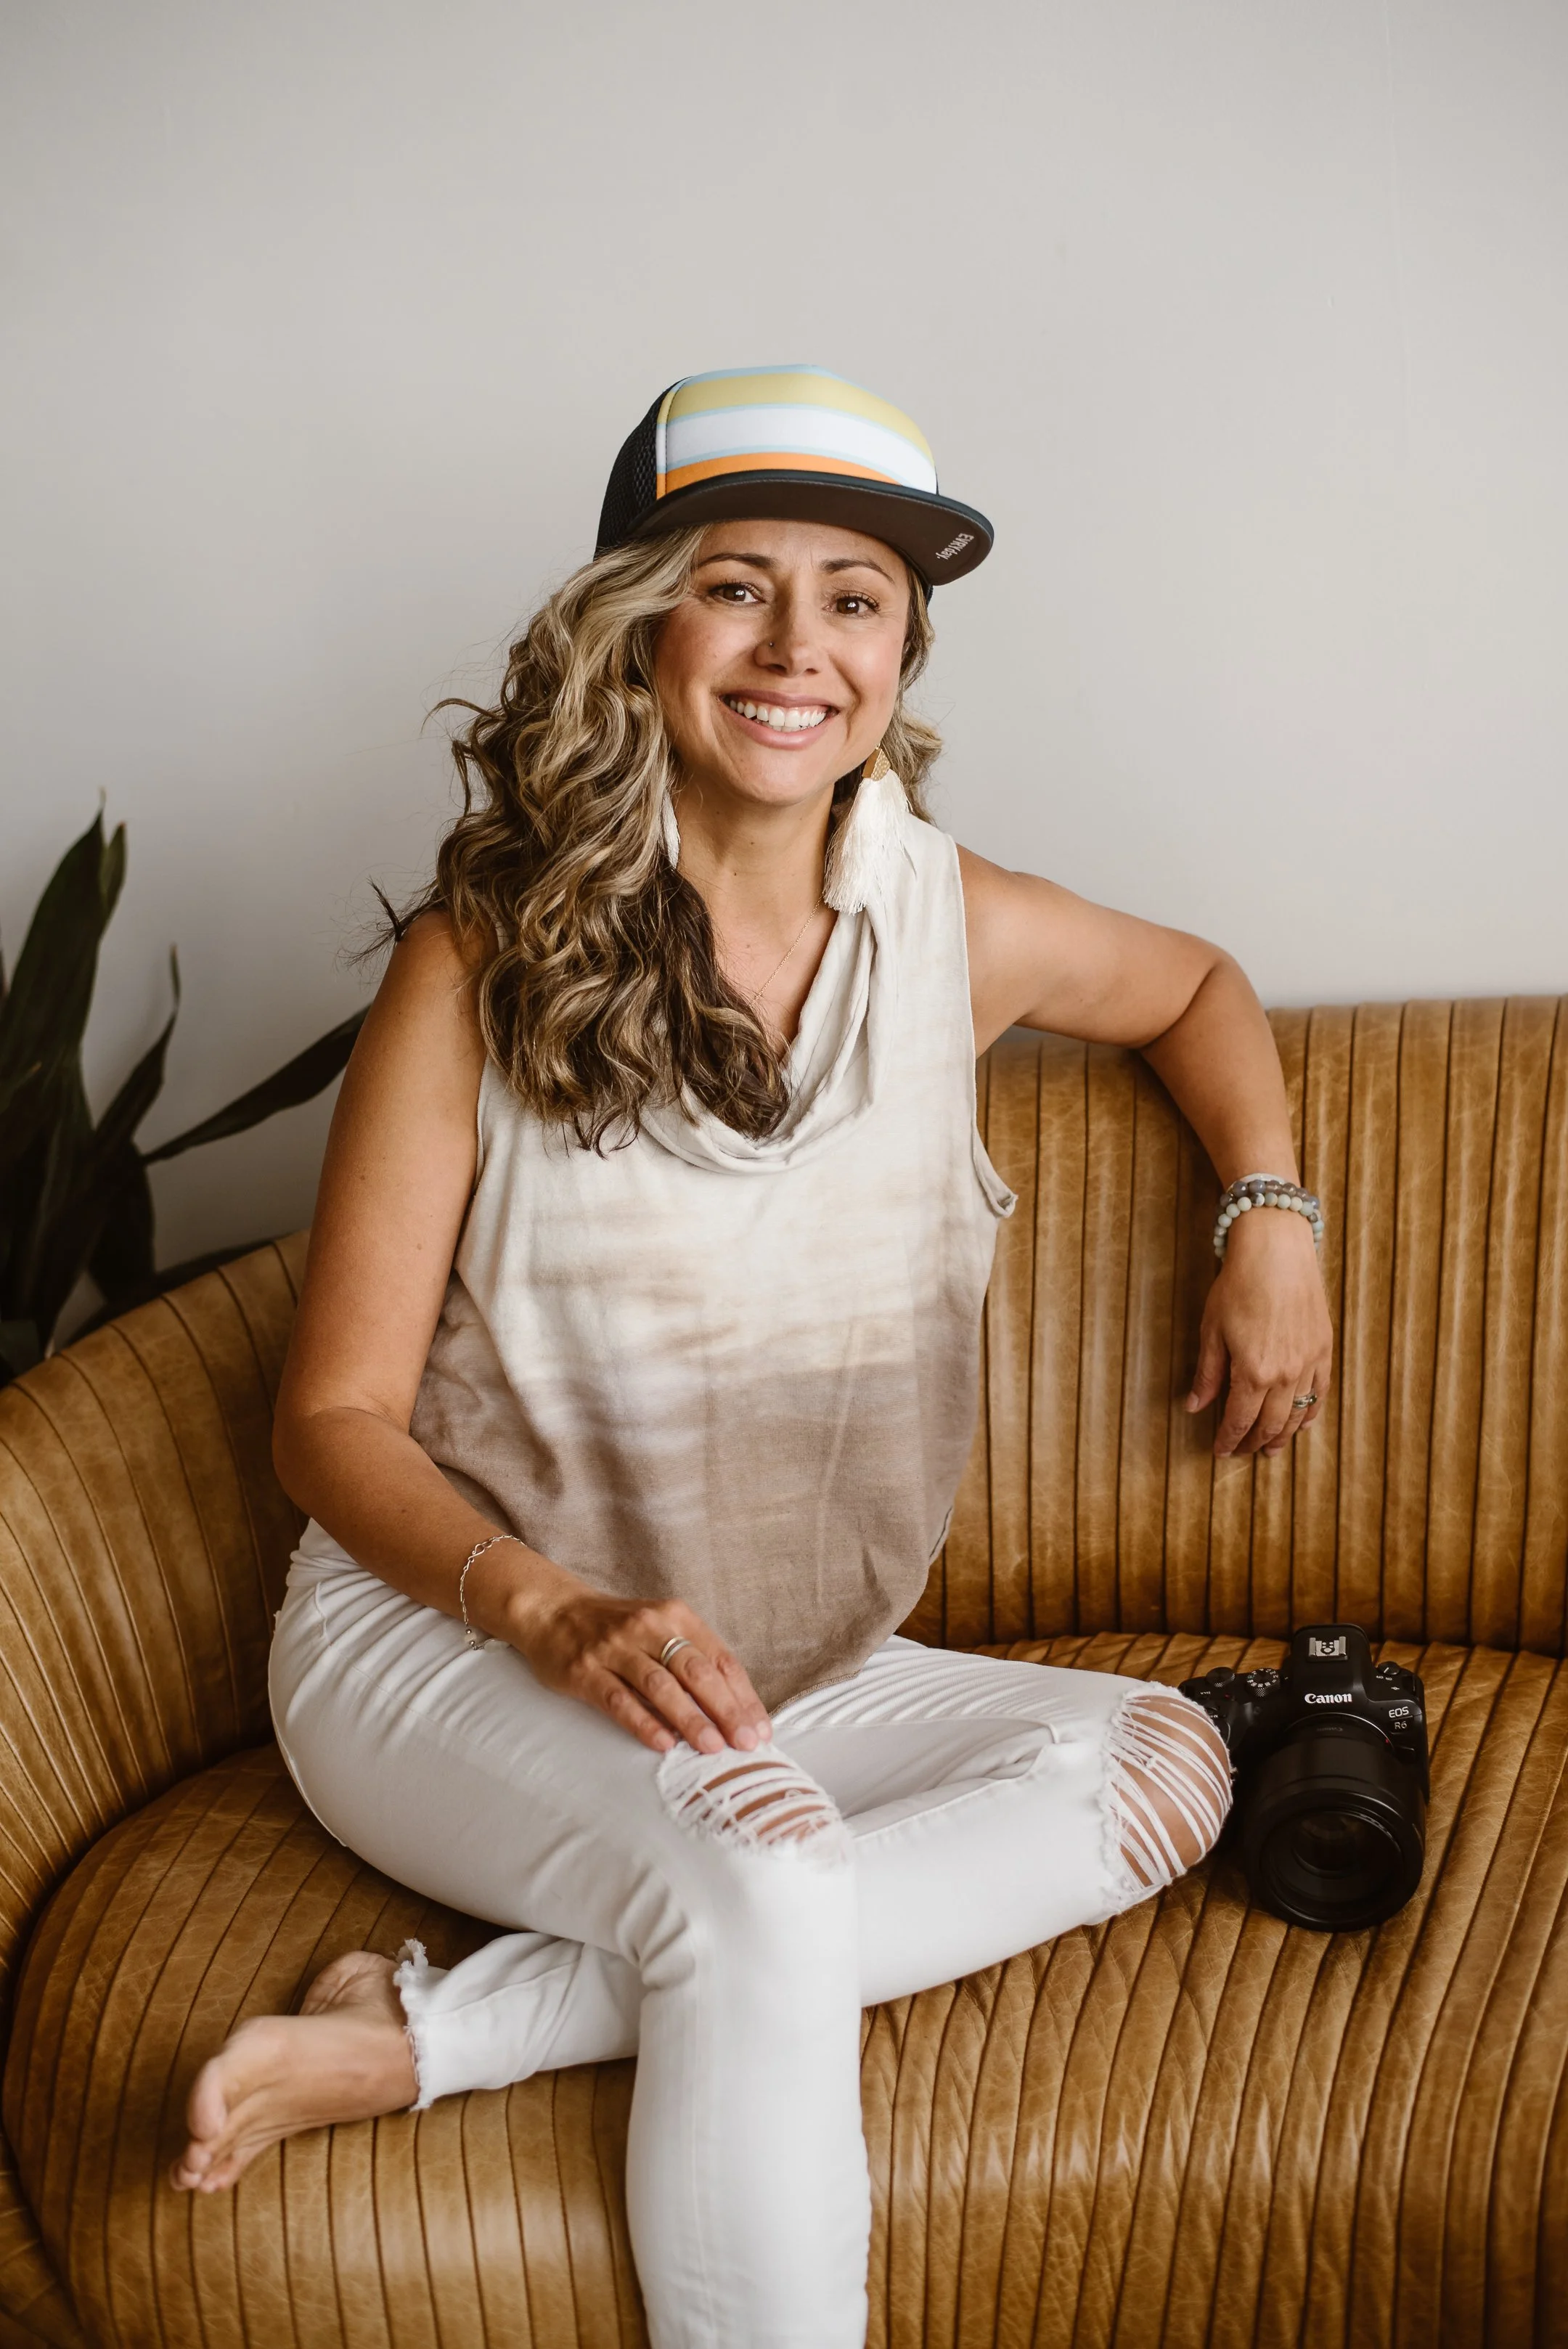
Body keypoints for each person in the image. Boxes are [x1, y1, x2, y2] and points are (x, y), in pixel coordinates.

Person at [172, 366, 1331, 2349]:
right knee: (774, 1879)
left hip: (778, 1659)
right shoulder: (484, 958)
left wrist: (1270, 1217)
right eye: (739, 585)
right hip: (436, 1637)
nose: (801, 647)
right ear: (640, 634)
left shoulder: (947, 926)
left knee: (1166, 1758)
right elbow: (330, 1417)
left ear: (903, 650)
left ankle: (427, 2033)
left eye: (856, 597)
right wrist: (546, 1607)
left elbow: (1200, 987)